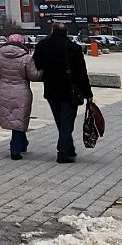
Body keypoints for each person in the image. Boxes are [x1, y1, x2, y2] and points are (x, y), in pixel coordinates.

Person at [32, 23, 93, 163]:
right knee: (67, 122)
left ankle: (69, 148)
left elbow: (36, 65)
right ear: (66, 32)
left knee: (61, 121)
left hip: (51, 90)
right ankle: (63, 152)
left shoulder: (42, 45)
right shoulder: (73, 47)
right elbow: (81, 73)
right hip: (69, 90)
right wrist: (88, 93)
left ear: (52, 30)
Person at [0, 30, 42, 159]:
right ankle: (15, 149)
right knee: (19, 118)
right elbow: (34, 76)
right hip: (21, 93)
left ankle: (22, 143)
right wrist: (43, 71)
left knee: (16, 120)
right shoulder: (26, 58)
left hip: (3, 91)